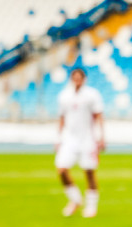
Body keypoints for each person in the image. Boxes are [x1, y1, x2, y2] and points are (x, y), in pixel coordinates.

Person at [56, 68, 105, 218]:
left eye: (79, 78)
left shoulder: (92, 95)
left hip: (87, 139)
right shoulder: (64, 96)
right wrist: (58, 138)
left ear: (84, 79)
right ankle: (75, 200)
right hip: (70, 139)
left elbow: (98, 116)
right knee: (61, 169)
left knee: (89, 172)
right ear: (71, 79)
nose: (77, 80)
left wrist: (101, 137)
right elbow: (62, 118)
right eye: (74, 78)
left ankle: (91, 206)